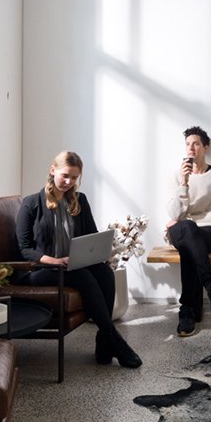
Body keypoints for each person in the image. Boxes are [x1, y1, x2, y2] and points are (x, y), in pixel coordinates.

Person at [16, 151, 141, 368]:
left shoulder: (79, 200)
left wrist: (94, 253)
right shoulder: (31, 203)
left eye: (74, 178)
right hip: (40, 270)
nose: (69, 182)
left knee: (105, 273)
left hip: (71, 266)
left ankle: (103, 342)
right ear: (52, 170)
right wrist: (54, 261)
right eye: (65, 175)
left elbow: (91, 236)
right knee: (82, 276)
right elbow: (24, 248)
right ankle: (114, 339)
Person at [165, 126, 211, 337]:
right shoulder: (177, 176)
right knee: (187, 231)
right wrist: (184, 184)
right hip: (182, 231)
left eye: (195, 144)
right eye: (187, 144)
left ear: (205, 147)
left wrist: (189, 221)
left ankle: (188, 311)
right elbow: (174, 212)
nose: (190, 148)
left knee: (189, 242)